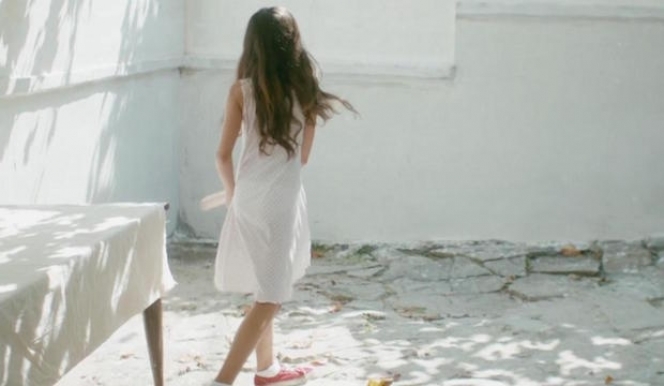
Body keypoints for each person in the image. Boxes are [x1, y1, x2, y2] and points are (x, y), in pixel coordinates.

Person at [210, 6, 355, 386]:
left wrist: (231, 193)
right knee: (270, 297)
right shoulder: (305, 88)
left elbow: (222, 155)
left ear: (252, 45)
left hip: (247, 200)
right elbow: (302, 157)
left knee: (264, 289)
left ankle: (267, 370)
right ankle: (221, 381)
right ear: (293, 43)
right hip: (281, 201)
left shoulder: (240, 91)